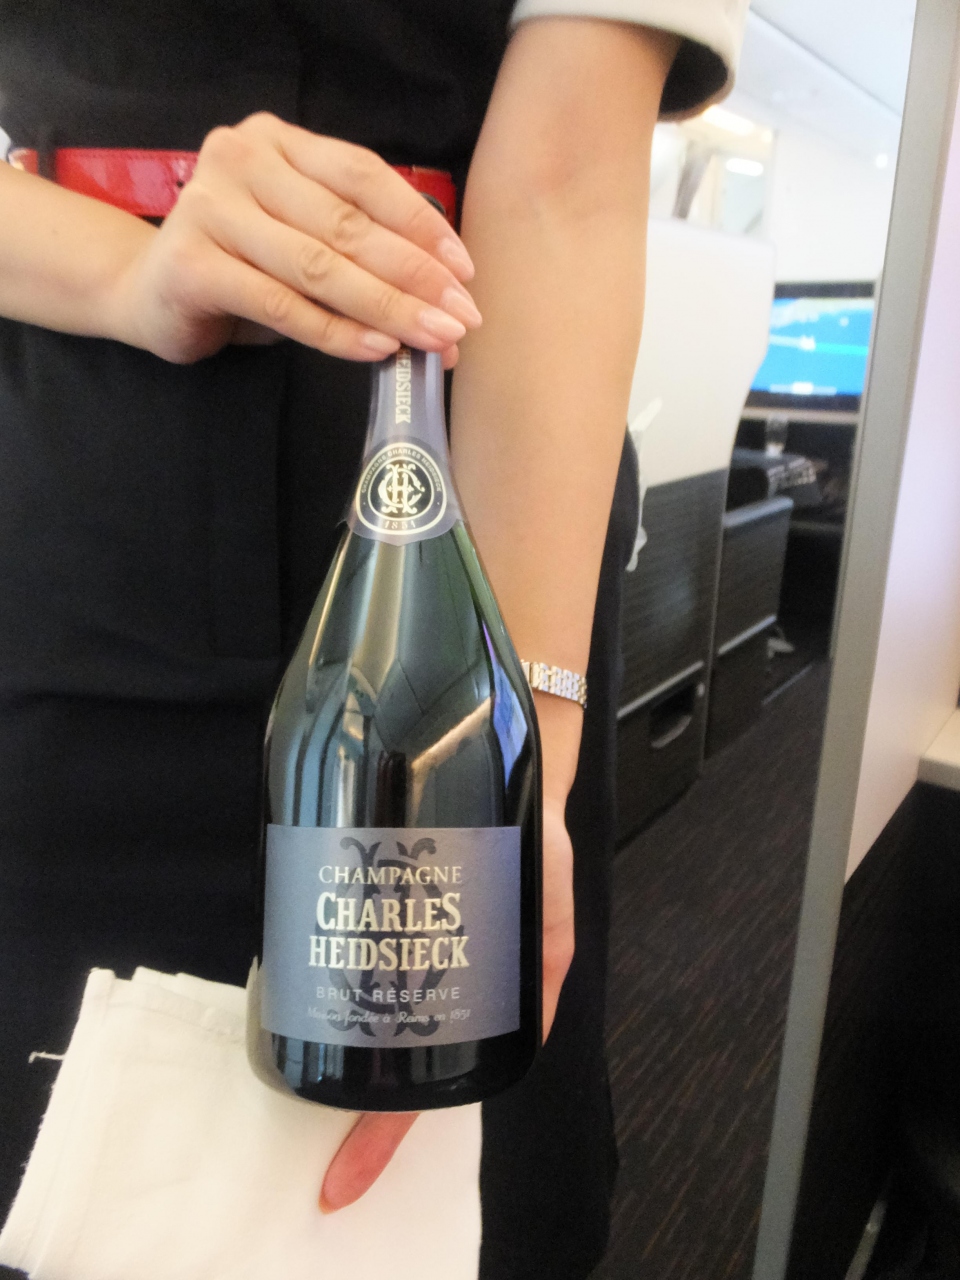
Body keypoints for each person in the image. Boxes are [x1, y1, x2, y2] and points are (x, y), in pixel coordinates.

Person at [0, 2, 746, 1276]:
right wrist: (130, 272)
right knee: (45, 1140)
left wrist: (520, 743)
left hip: (488, 493)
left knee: (471, 1164)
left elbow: (564, 184)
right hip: (80, 476)